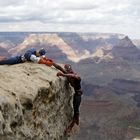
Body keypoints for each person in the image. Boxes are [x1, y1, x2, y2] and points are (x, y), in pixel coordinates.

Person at [56, 64, 83, 134]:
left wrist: (63, 75)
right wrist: (50, 63)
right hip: (76, 94)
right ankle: (76, 118)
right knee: (75, 109)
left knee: (76, 111)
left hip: (78, 95)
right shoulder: (68, 74)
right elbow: (59, 67)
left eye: (69, 70)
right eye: (68, 70)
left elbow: (74, 76)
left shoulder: (76, 76)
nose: (69, 71)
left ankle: (71, 127)